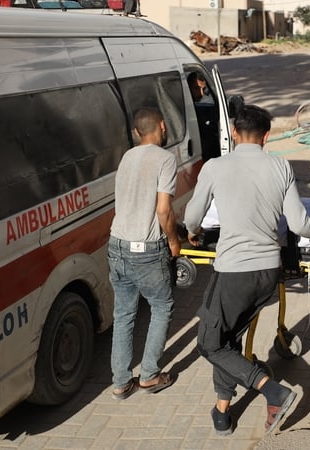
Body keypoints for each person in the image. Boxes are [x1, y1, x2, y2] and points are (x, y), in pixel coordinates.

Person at [183, 104, 310, 436]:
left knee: (209, 343)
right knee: (227, 340)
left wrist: (192, 232)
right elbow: (301, 225)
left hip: (233, 272)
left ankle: (271, 390)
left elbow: (192, 218)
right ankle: (222, 412)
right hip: (267, 274)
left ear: (233, 133)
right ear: (266, 136)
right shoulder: (280, 166)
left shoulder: (215, 167)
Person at [108, 108, 180, 400]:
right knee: (161, 307)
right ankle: (150, 376)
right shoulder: (165, 159)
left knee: (124, 314)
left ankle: (121, 383)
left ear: (137, 132)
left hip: (117, 245)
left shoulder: (127, 157)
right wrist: (174, 241)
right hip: (147, 250)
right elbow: (163, 210)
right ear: (162, 127)